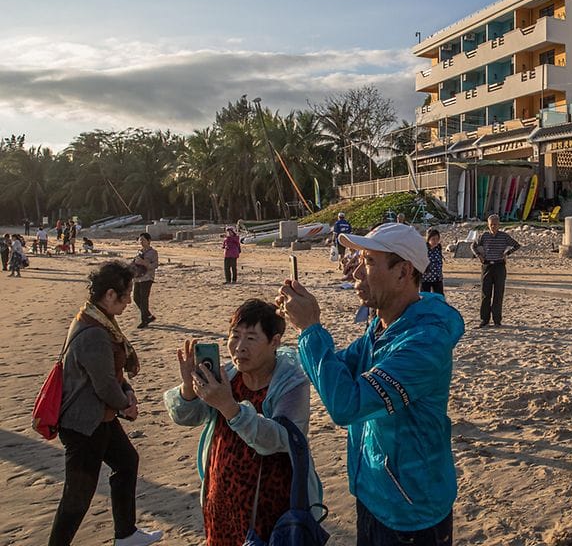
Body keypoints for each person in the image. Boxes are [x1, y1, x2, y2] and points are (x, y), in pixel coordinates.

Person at [276, 222, 464, 546]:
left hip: (411, 513)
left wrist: (309, 329)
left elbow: (346, 405)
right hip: (373, 494)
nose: (355, 273)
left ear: (403, 273)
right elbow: (338, 369)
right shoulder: (380, 327)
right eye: (359, 259)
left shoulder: (424, 343)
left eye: (369, 262)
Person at [164, 299, 322, 545]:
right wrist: (188, 389)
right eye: (234, 336)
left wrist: (230, 408)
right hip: (220, 501)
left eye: (250, 338)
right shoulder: (227, 375)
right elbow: (187, 416)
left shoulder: (291, 383)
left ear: (275, 342)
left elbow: (280, 439)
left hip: (269, 505)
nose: (239, 347)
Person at [48, 261, 163, 546]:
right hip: (84, 424)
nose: (127, 303)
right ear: (110, 295)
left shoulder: (97, 320)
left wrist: (126, 391)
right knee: (77, 497)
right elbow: (103, 384)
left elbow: (112, 374)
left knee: (126, 462)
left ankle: (126, 534)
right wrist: (126, 404)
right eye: (125, 296)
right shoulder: (94, 332)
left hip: (101, 418)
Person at [471, 214, 521, 327]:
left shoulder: (504, 236)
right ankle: (484, 319)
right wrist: (479, 255)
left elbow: (517, 245)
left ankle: (497, 319)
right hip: (487, 265)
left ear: (499, 225)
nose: (493, 227)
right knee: (485, 293)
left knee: (498, 293)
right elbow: (473, 246)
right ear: (488, 225)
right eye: (491, 225)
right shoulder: (484, 236)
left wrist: (507, 253)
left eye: (495, 224)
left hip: (499, 266)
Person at [132, 233, 159, 329]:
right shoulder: (139, 252)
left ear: (149, 241)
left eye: (143, 240)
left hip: (147, 278)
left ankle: (144, 320)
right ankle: (148, 316)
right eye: (140, 240)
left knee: (144, 299)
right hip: (137, 278)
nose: (141, 242)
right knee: (136, 298)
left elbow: (155, 265)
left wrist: (144, 263)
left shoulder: (153, 252)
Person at [422, 228, 445, 295]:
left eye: (437, 239)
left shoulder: (438, 248)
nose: (436, 241)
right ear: (428, 239)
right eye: (433, 239)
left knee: (439, 298)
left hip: (437, 278)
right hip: (425, 279)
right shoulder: (423, 249)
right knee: (425, 299)